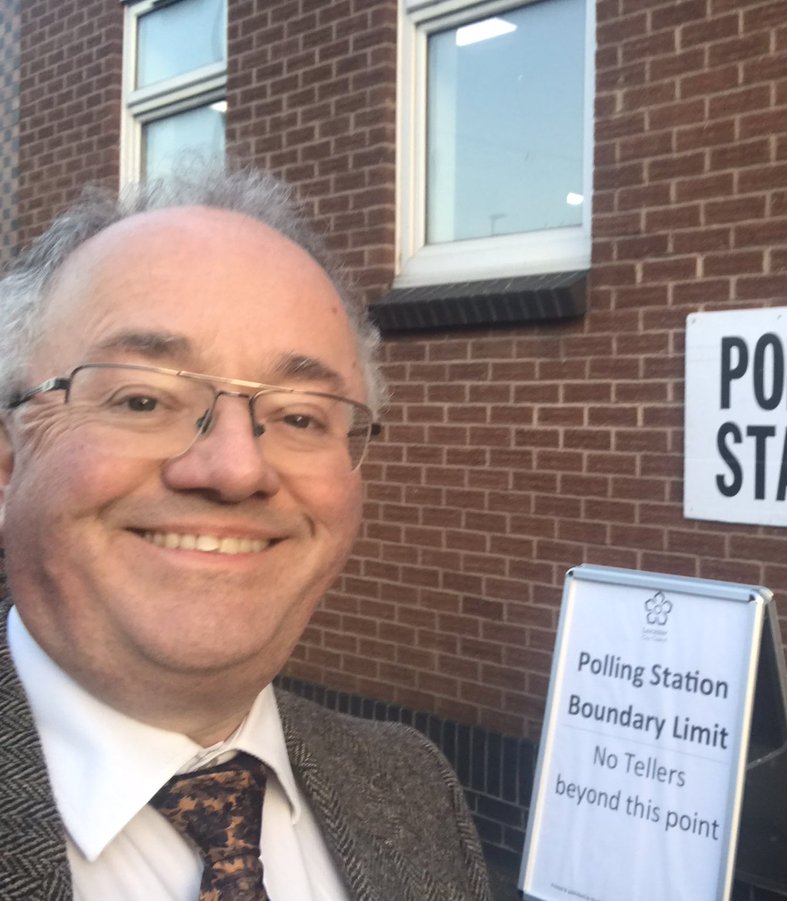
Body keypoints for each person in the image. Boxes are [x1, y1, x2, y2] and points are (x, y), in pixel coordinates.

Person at [0, 169, 493, 901]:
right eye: (143, 398)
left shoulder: (416, 791)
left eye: (300, 416)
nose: (236, 467)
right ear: (10, 459)